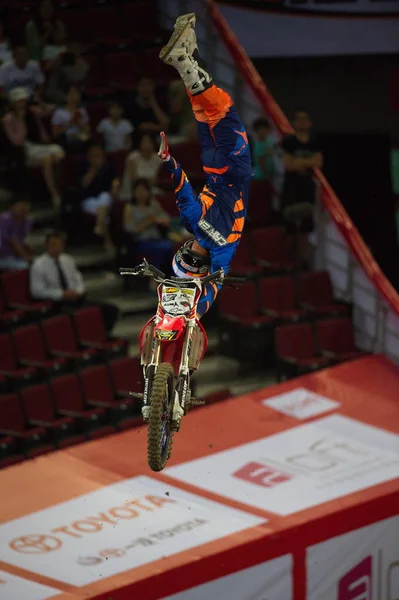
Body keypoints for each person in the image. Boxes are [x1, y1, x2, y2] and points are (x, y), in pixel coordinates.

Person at [157, 13, 252, 318]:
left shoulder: (222, 254)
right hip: (211, 164)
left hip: (233, 170)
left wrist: (196, 312)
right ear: (184, 248)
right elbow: (180, 183)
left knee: (221, 105)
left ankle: (184, 60)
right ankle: (188, 53)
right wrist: (168, 159)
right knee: (202, 108)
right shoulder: (191, 221)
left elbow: (214, 288)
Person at [30, 230, 119, 332]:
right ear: (46, 245)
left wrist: (78, 291)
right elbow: (36, 291)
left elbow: (78, 280)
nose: (57, 248)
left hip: (75, 299)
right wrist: (61, 294)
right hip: (57, 303)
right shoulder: (38, 265)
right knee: (79, 316)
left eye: (60, 245)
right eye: (53, 244)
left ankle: (102, 335)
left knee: (110, 310)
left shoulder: (68, 260)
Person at [2, 87, 64, 209]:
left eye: (24, 101)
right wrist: (20, 120)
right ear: (13, 103)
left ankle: (57, 192)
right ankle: (55, 194)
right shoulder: (8, 120)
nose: (22, 104)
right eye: (19, 101)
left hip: (39, 146)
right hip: (23, 151)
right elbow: (17, 141)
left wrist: (39, 100)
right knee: (48, 160)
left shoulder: (31, 111)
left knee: (58, 152)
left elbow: (50, 110)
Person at [280, 108, 323, 269]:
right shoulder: (289, 141)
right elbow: (288, 165)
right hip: (291, 190)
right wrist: (307, 162)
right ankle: (291, 261)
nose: (302, 122)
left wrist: (299, 162)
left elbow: (318, 162)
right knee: (291, 227)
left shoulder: (314, 141)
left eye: (305, 119)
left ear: (309, 123)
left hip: (307, 191)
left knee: (306, 226)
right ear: (294, 123)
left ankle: (302, 262)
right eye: (299, 119)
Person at [123, 178, 174, 274]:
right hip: (139, 241)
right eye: (139, 191)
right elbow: (130, 229)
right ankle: (155, 280)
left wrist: (159, 221)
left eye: (144, 190)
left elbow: (166, 219)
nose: (142, 194)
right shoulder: (130, 208)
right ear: (134, 193)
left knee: (169, 248)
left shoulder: (153, 204)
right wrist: (149, 221)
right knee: (164, 248)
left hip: (156, 238)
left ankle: (168, 278)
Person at [79, 142, 119, 249]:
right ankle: (105, 237)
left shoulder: (108, 164)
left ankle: (101, 230)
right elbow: (84, 184)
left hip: (106, 198)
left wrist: (115, 186)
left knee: (104, 199)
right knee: (103, 212)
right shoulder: (83, 165)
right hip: (89, 200)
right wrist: (93, 169)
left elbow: (115, 180)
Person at [119, 133, 161, 201]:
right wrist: (148, 181)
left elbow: (156, 180)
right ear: (139, 144)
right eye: (144, 142)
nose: (147, 145)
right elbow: (133, 179)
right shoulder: (132, 158)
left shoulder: (158, 159)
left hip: (151, 190)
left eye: (150, 142)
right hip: (133, 191)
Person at [51, 84, 90, 153]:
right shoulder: (59, 112)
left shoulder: (82, 110)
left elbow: (88, 130)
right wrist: (69, 123)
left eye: (76, 93)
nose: (74, 96)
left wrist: (79, 123)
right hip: (66, 139)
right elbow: (55, 134)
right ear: (66, 96)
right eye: (71, 93)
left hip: (80, 136)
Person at [0, 194, 33, 270]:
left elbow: (20, 240)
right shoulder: (4, 220)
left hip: (14, 255)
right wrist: (26, 257)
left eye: (26, 206)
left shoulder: (28, 221)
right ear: (12, 207)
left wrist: (27, 247)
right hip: (3, 256)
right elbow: (13, 242)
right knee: (26, 266)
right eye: (21, 206)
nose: (24, 209)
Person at [252, 117, 276, 181]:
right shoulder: (258, 145)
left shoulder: (270, 141)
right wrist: (267, 175)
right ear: (256, 131)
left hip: (272, 175)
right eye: (260, 129)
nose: (263, 131)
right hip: (260, 177)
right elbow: (261, 161)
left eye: (265, 129)